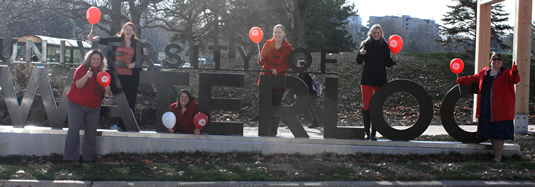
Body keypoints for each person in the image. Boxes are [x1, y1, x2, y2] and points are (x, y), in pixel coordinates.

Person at [456, 53, 519, 163]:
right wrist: (463, 80)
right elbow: (474, 78)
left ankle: (497, 157)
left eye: (499, 59)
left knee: (498, 134)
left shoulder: (506, 73)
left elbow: (514, 79)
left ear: (502, 62)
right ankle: (495, 155)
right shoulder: (485, 72)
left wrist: (514, 72)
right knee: (492, 134)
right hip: (486, 109)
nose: (496, 60)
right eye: (494, 59)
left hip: (500, 110)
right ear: (490, 61)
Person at [88, 22, 141, 131]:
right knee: (120, 102)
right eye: (127, 29)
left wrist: (135, 64)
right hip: (117, 76)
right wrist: (94, 39)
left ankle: (127, 125)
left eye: (131, 29)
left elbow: (142, 58)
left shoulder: (136, 43)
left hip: (131, 77)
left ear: (133, 32)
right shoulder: (117, 40)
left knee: (130, 101)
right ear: (123, 30)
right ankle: (119, 124)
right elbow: (103, 39)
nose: (128, 31)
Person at [64, 49, 110, 162]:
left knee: (91, 131)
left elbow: (105, 93)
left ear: (101, 61)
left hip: (94, 107)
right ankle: (70, 158)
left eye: (98, 59)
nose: (96, 61)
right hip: (77, 105)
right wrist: (86, 76)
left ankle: (88, 158)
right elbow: (78, 85)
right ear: (89, 59)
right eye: (93, 58)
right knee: (74, 129)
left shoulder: (102, 73)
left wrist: (107, 88)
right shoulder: (82, 69)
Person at [356, 24, 398, 140]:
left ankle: (374, 133)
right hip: (367, 79)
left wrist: (393, 61)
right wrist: (361, 54)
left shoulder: (385, 46)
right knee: (366, 106)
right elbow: (358, 61)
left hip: (380, 80)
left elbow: (387, 63)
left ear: (381, 34)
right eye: (374, 33)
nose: (376, 35)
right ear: (371, 33)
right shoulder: (366, 45)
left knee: (377, 106)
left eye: (378, 33)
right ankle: (366, 132)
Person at [257, 24, 293, 137]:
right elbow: (262, 61)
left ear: (284, 33)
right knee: (265, 105)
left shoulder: (288, 48)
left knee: (276, 106)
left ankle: (273, 131)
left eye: (279, 32)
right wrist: (260, 60)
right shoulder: (268, 43)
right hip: (266, 78)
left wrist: (278, 69)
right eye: (275, 32)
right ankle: (264, 130)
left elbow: (289, 64)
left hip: (279, 80)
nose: (277, 34)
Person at [294, 60, 320, 128]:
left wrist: (297, 93)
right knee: (308, 107)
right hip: (305, 94)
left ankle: (290, 119)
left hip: (304, 94)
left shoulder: (303, 74)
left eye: (298, 64)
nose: (297, 65)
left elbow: (302, 85)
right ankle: (315, 122)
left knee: (304, 107)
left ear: (301, 65)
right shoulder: (303, 73)